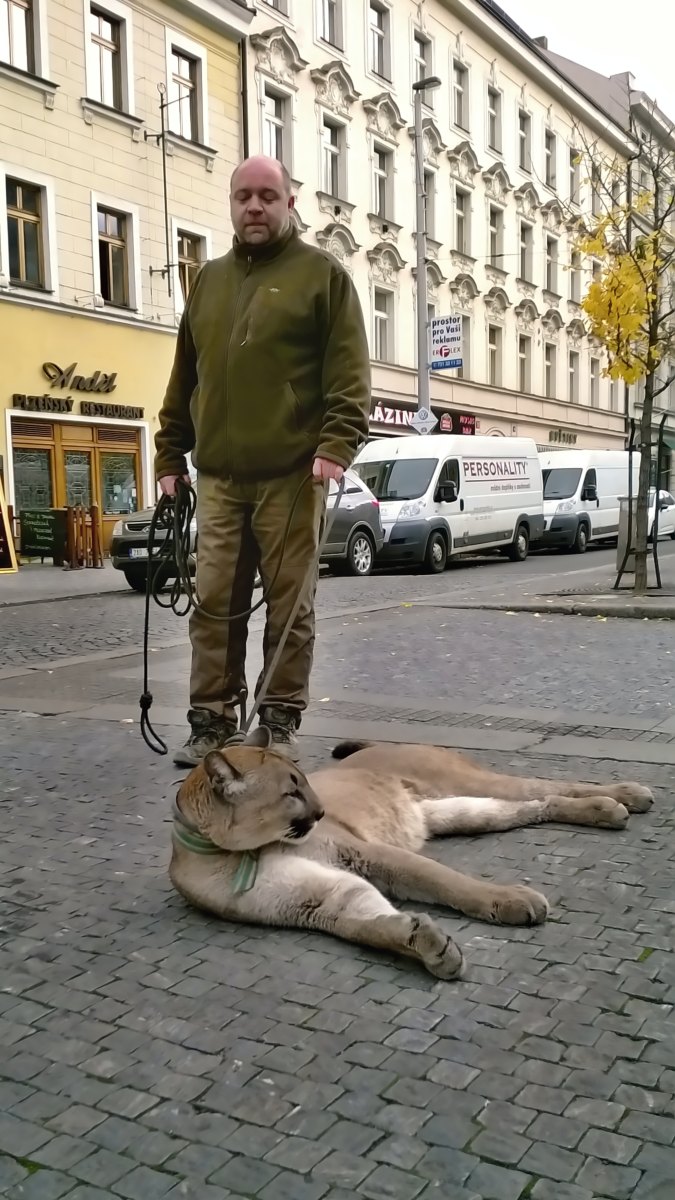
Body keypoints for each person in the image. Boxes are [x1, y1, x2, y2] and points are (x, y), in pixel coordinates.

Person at [155, 155, 371, 767]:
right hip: (219, 478)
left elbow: (350, 375)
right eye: (243, 196)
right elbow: (185, 378)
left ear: (289, 204)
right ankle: (211, 723)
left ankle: (277, 720)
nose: (254, 206)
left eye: (267, 197)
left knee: (289, 605)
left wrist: (335, 445)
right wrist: (170, 453)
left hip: (293, 475)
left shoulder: (322, 277)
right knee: (213, 604)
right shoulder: (209, 281)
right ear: (231, 203)